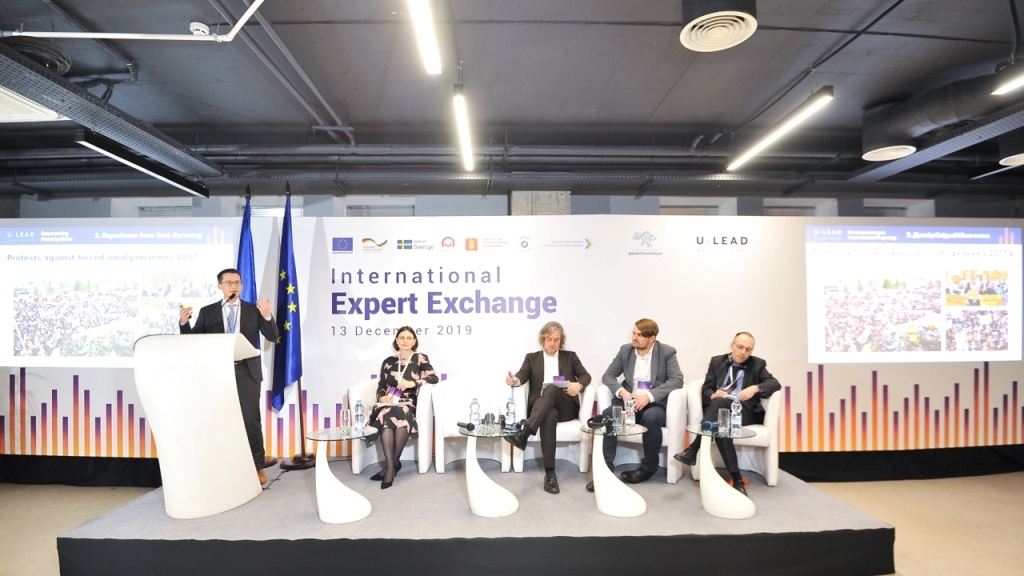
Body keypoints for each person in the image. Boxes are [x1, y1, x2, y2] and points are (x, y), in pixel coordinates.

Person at [179, 268, 278, 485]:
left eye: (237, 282)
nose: (234, 286)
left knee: (250, 421)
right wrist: (184, 324)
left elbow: (272, 336)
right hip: (218, 372)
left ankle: (257, 467)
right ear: (220, 286)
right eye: (229, 283)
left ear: (242, 285)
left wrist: (267, 316)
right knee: (219, 421)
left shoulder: (253, 310)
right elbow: (193, 342)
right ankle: (222, 467)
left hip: (247, 372)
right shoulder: (209, 312)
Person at [673, 332, 780, 496]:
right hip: (720, 409)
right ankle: (737, 479)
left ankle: (693, 449)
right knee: (721, 422)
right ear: (732, 345)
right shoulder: (716, 361)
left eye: (748, 349)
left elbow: (774, 383)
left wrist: (755, 388)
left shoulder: (757, 364)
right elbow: (706, 389)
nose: (743, 352)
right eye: (740, 347)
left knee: (719, 409)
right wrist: (712, 395)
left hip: (743, 410)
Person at [589, 318, 683, 491]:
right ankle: (605, 470)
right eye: (634, 333)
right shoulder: (626, 351)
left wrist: (649, 396)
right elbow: (608, 376)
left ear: (652, 338)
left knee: (651, 417)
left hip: (653, 404)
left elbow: (677, 380)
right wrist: (623, 393)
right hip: (629, 401)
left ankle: (648, 469)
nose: (634, 338)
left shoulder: (667, 352)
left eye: (639, 335)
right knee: (609, 414)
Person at [504, 321, 592, 494]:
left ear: (561, 341)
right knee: (549, 414)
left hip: (565, 405)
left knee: (552, 388)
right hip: (542, 407)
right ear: (543, 339)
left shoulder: (570, 357)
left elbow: (585, 376)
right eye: (549, 339)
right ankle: (550, 474)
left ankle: (525, 433)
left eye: (556, 340)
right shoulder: (532, 358)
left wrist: (579, 385)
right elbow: (522, 376)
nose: (552, 343)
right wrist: (515, 380)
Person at [364, 326, 438, 489]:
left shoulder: (420, 358)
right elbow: (381, 386)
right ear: (396, 341)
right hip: (389, 402)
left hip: (407, 403)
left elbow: (434, 378)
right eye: (402, 337)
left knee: (400, 412)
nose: (405, 340)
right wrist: (382, 397)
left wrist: (414, 383)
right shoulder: (388, 362)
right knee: (387, 412)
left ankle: (390, 467)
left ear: (414, 341)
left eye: (409, 338)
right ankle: (393, 465)